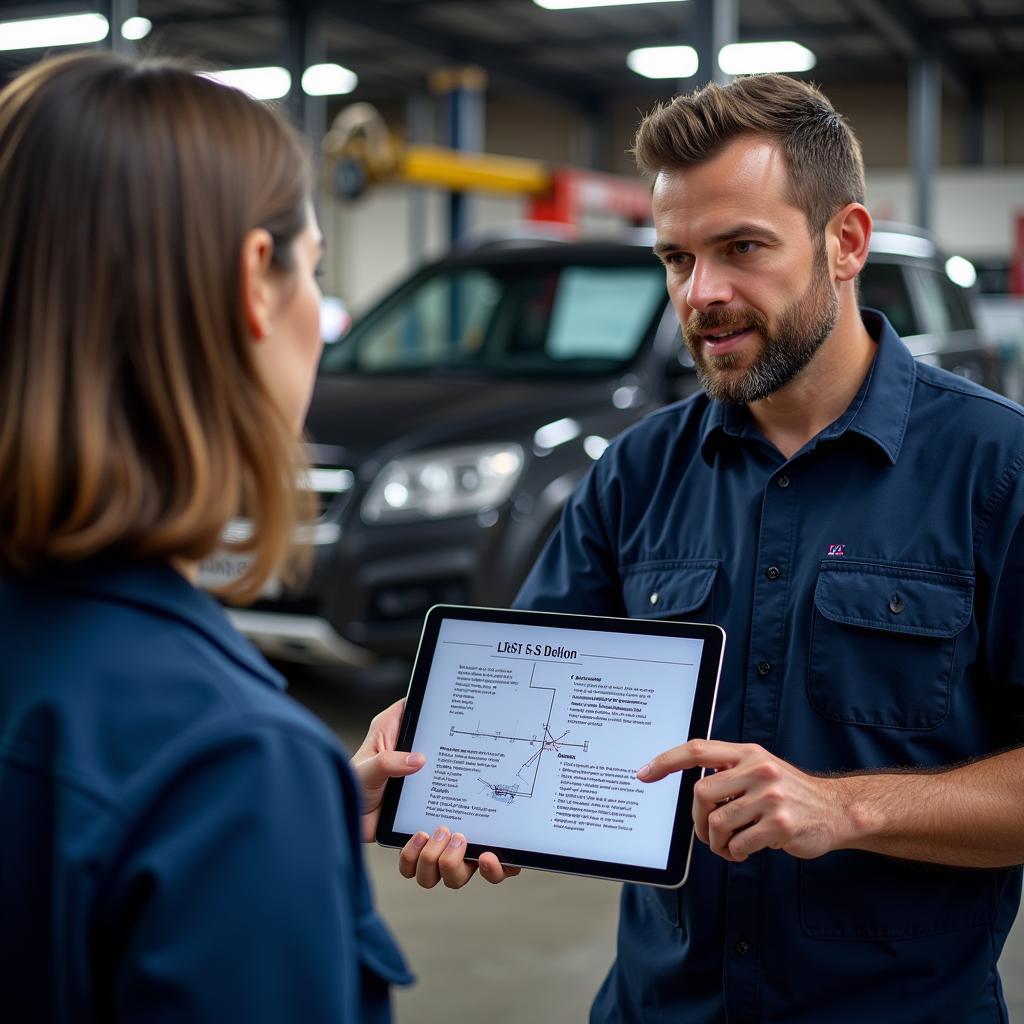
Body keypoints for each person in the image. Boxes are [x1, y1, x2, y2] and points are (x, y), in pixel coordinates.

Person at [387, 74, 1024, 1022]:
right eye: (677, 258)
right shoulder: (636, 471)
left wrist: (845, 808)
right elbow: (516, 696)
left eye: (742, 249)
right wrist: (430, 753)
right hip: (658, 1006)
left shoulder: (996, 470)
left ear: (844, 242)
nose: (703, 294)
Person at [0, 51, 425, 1022]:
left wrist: (288, 828)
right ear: (252, 283)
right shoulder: (227, 761)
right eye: (312, 270)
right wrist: (254, 814)